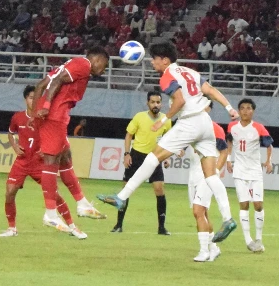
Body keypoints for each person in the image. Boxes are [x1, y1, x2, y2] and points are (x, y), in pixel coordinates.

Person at [97, 42, 240, 251]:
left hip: (189, 122)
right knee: (211, 175)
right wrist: (229, 108)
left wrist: (165, 120)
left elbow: (180, 101)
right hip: (205, 123)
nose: (153, 62)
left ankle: (122, 197)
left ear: (165, 60)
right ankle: (228, 218)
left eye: (154, 58)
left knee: (152, 158)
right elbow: (211, 90)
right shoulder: (190, 71)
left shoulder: (166, 76)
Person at [31, 46, 110, 227]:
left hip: (54, 116)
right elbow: (57, 81)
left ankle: (82, 204)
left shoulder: (71, 64)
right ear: (97, 59)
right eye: (104, 66)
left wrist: (35, 113)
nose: (103, 70)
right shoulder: (84, 64)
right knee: (51, 162)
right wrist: (47, 105)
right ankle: (50, 213)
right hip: (55, 116)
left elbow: (41, 84)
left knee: (65, 157)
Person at [0, 86, 87, 239]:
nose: (33, 100)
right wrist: (14, 146)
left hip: (41, 163)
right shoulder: (18, 117)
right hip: (22, 162)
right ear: (25, 99)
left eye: (36, 98)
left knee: (55, 195)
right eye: (30, 97)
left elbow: (54, 135)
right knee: (9, 192)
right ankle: (11, 228)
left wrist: (47, 149)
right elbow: (11, 132)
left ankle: (73, 227)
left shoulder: (44, 117)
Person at [114, 92, 172, 235]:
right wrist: (127, 154)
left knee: (159, 189)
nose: (155, 105)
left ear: (161, 103)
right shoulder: (139, 117)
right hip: (136, 156)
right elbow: (129, 135)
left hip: (155, 157)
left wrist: (167, 157)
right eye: (152, 102)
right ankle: (118, 225)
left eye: (158, 102)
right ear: (147, 103)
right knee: (126, 189)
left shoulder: (166, 120)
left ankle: (161, 227)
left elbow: (168, 140)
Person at [226, 99, 273, 253]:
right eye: (242, 108)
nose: (245, 111)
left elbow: (269, 145)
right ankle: (248, 240)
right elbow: (229, 143)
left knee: (258, 205)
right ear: (238, 111)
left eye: (248, 108)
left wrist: (268, 161)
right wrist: (228, 160)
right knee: (244, 204)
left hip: (255, 171)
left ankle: (259, 238)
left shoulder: (258, 128)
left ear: (253, 111)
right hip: (239, 171)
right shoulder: (232, 126)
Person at [187, 102, 228, 261]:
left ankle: (204, 251)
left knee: (198, 211)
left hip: (207, 174)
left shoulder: (214, 128)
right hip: (193, 174)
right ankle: (213, 247)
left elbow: (224, 152)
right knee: (202, 213)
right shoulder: (190, 126)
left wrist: (215, 171)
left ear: (208, 108)